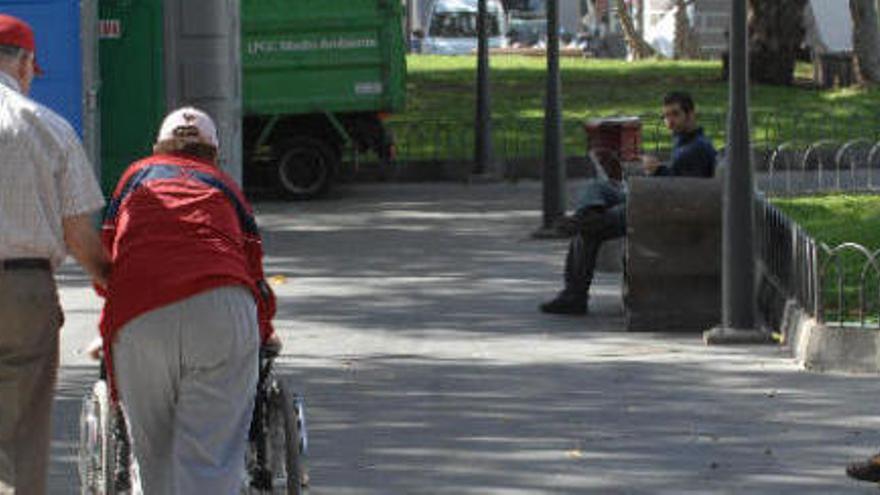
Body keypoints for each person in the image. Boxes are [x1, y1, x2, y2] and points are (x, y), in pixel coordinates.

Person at [98, 107, 277, 494]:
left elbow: (108, 262)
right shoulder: (225, 186)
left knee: (152, 453)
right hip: (221, 307)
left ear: (158, 149)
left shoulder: (134, 177)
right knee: (208, 460)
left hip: (141, 312)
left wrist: (113, 322)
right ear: (214, 153)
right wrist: (266, 331)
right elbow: (254, 274)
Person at [0, 14, 109, 494]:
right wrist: (109, 279)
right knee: (24, 426)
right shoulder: (48, 127)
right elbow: (79, 235)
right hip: (24, 290)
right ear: (23, 63)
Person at [540, 91, 717, 315]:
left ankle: (574, 293)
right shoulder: (688, 143)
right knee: (599, 188)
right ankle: (585, 217)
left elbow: (681, 193)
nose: (669, 121)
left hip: (657, 210)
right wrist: (656, 171)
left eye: (675, 114)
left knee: (587, 232)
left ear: (691, 114)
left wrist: (657, 171)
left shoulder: (696, 149)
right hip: (654, 199)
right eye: (666, 116)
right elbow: (677, 182)